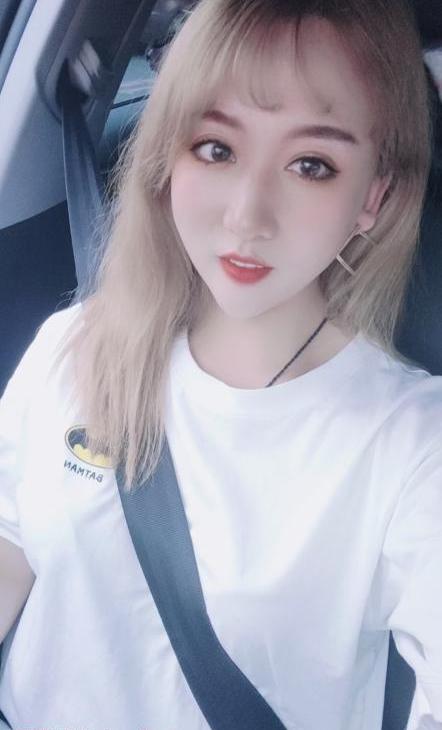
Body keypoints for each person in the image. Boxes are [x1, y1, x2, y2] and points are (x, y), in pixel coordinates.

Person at [0, 0, 441, 728]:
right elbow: (11, 541)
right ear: (167, 155)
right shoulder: (73, 346)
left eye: (311, 165)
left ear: (374, 197)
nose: (246, 216)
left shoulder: (413, 445)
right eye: (215, 149)